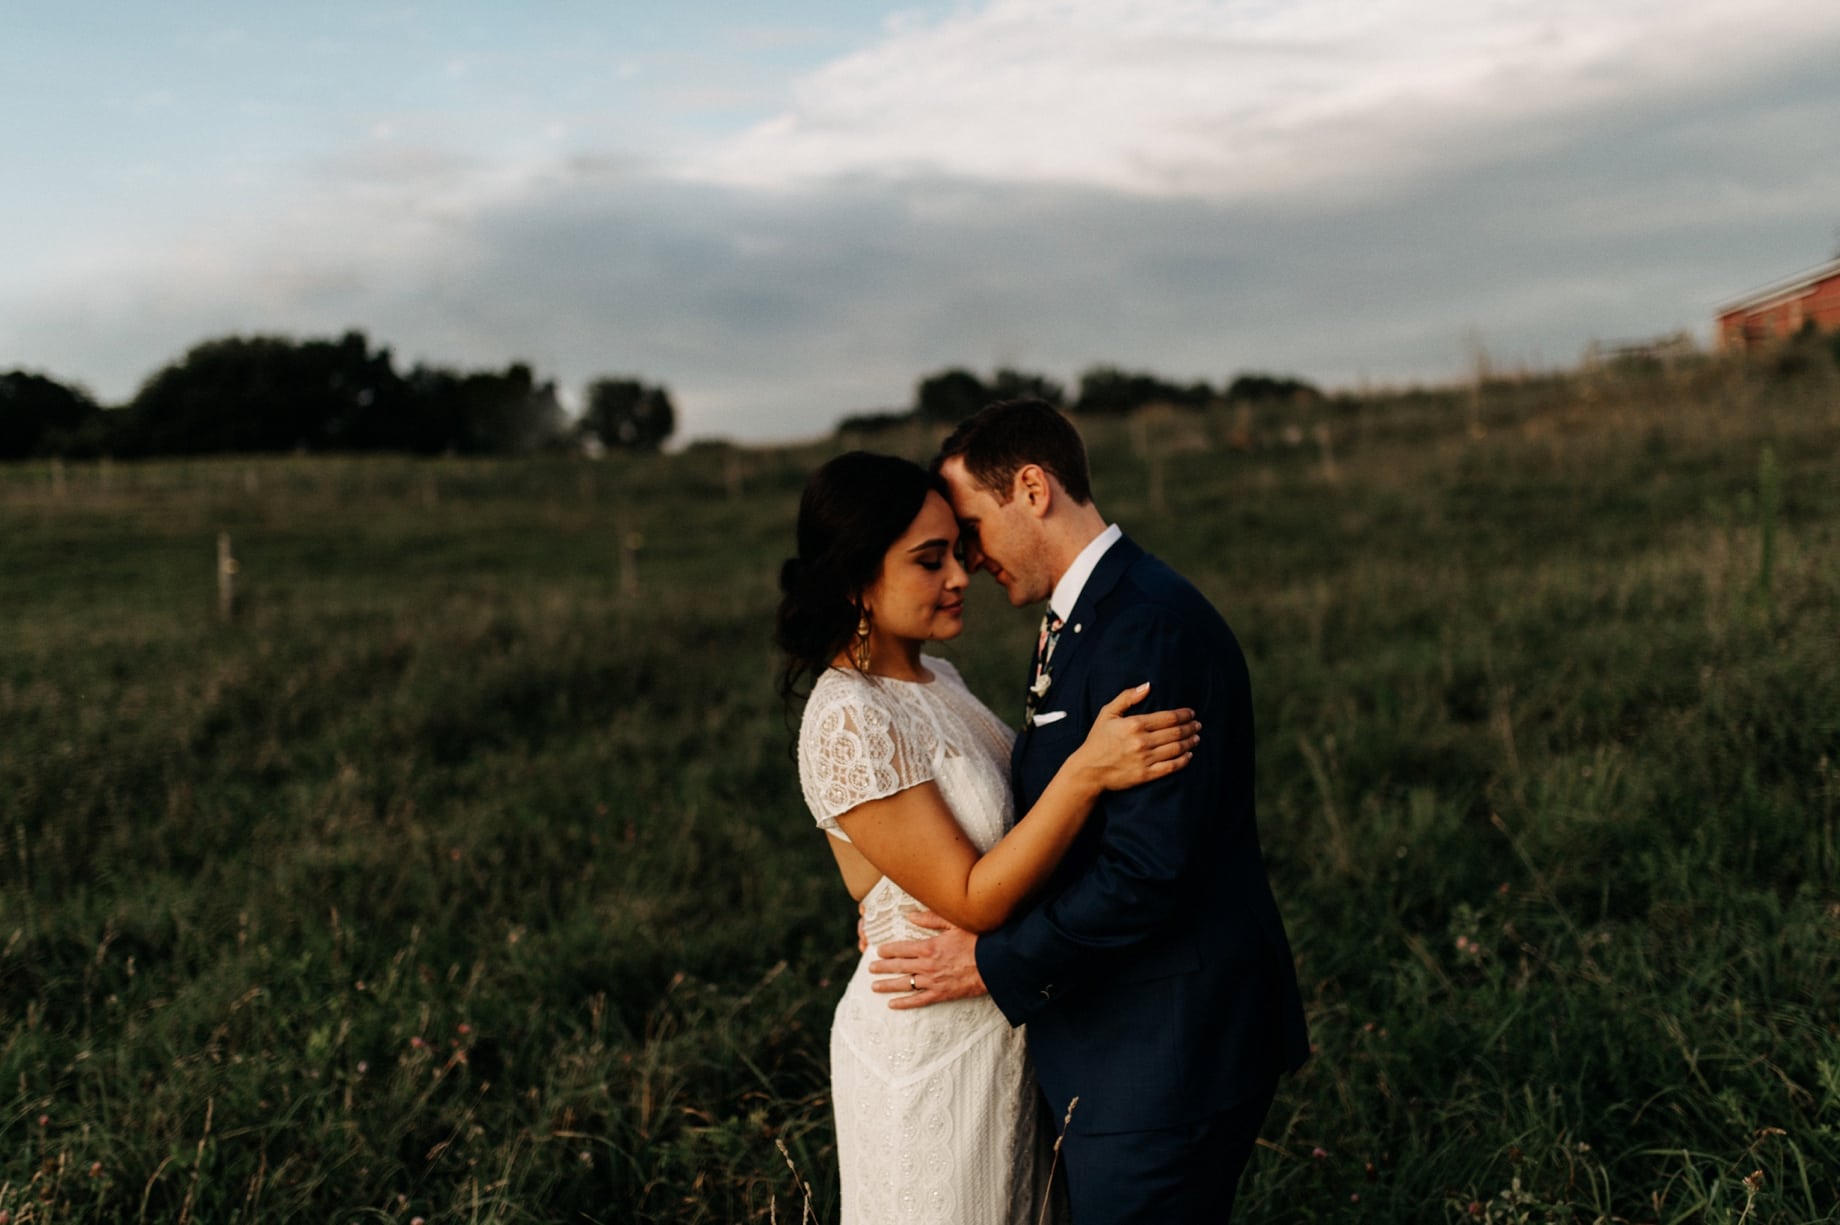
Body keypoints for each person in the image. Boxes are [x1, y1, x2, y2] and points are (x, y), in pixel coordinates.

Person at [867, 399, 1311, 1223]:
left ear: (1032, 488)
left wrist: (991, 960)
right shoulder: (1088, 615)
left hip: (1165, 1050)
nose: (968, 559)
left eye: (970, 528)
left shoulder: (1144, 626)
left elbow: (1146, 869)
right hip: (1117, 1041)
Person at [775, 450, 1202, 1225]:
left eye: (959, 552)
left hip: (1002, 1029)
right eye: (928, 560)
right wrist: (1086, 772)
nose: (960, 575)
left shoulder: (942, 679)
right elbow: (971, 897)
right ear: (853, 580)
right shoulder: (846, 715)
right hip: (926, 1042)